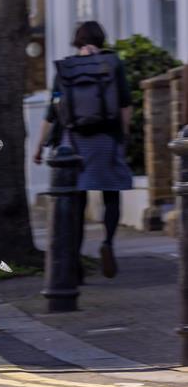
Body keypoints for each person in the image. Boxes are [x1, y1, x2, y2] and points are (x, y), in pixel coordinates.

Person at [33, 20, 132, 279]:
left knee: (75, 199)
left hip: (75, 141)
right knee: (111, 194)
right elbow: (125, 104)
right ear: (101, 39)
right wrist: (123, 134)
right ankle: (108, 242)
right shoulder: (112, 64)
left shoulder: (67, 68)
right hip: (106, 138)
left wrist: (39, 146)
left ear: (77, 41)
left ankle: (74, 258)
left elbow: (52, 110)